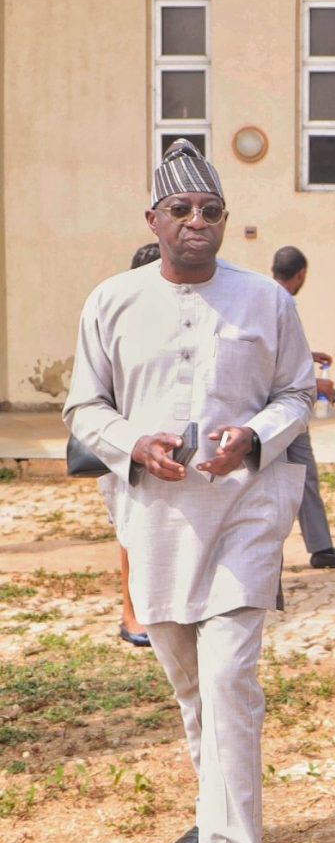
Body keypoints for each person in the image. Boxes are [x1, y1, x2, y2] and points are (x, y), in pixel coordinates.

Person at [64, 139, 314, 843]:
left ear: (225, 219)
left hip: (244, 510)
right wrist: (132, 444)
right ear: (154, 219)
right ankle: (215, 814)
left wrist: (254, 436)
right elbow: (83, 407)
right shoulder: (111, 301)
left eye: (210, 210)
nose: (196, 221)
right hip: (157, 522)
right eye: (181, 209)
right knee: (191, 685)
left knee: (229, 677)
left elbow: (298, 393)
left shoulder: (266, 301)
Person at [270, 246, 335, 570]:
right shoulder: (278, 301)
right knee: (280, 481)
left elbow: (277, 352)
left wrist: (307, 358)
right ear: (302, 274)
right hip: (279, 408)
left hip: (288, 408)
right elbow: (268, 361)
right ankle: (272, 553)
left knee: (304, 475)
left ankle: (321, 547)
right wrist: (313, 383)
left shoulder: (268, 298)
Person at [110, 243, 163, 648]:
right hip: (127, 445)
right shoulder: (118, 320)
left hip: (164, 445)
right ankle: (133, 615)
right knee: (130, 530)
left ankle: (157, 611)